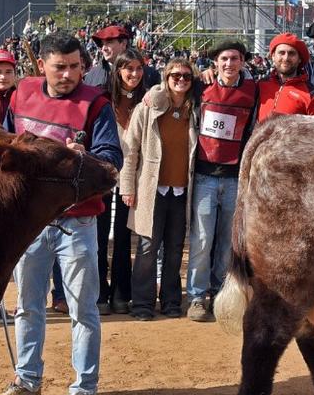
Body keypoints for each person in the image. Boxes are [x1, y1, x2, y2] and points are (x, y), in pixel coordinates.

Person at [0, 34, 122, 395]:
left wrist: (86, 157)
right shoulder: (22, 93)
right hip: (29, 223)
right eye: (60, 67)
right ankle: (27, 380)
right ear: (42, 65)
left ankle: (84, 389)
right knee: (28, 305)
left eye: (76, 66)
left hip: (78, 221)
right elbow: (7, 144)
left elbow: (113, 158)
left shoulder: (96, 104)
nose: (68, 74)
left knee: (83, 309)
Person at [119, 59, 197, 321]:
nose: (181, 80)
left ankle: (171, 301)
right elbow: (130, 151)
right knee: (146, 248)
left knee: (175, 248)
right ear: (166, 77)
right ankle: (142, 303)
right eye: (175, 75)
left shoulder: (194, 110)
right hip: (151, 190)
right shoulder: (148, 107)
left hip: (181, 192)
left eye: (186, 76)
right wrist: (127, 187)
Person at [187, 40, 259, 321]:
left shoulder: (252, 90)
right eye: (224, 59)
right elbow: (167, 87)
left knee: (228, 241)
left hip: (235, 178)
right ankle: (196, 296)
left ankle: (220, 292)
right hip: (205, 176)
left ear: (243, 62)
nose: (230, 64)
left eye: (235, 59)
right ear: (215, 62)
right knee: (202, 239)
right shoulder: (199, 86)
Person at [97, 49, 152, 315]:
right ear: (118, 71)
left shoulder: (149, 99)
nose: (134, 74)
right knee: (98, 236)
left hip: (131, 177)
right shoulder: (102, 99)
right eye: (128, 69)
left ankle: (121, 293)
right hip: (102, 177)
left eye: (138, 68)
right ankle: (99, 292)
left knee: (123, 237)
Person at [257, 32, 314, 121]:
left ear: (300, 59)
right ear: (273, 56)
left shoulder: (313, 96)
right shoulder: (260, 86)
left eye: (291, 53)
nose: (286, 58)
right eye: (281, 53)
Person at [84, 24, 161, 89]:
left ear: (124, 44)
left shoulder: (150, 75)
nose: (104, 48)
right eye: (102, 44)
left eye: (109, 43)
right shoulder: (91, 76)